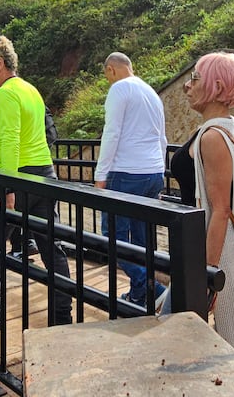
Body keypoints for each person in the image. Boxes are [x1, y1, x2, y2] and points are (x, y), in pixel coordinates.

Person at [166, 52, 234, 376]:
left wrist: (207, 276)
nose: (187, 86)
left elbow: (221, 210)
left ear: (217, 85)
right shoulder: (230, 128)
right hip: (220, 248)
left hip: (216, 250)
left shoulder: (213, 136)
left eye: (195, 79)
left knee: (181, 331)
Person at [0, 35, 72, 329]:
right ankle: (62, 315)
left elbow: (9, 142)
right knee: (51, 249)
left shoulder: (4, 94)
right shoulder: (31, 90)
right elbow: (42, 135)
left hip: (16, 178)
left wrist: (9, 188)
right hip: (44, 175)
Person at [94, 52, 168, 306]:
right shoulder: (151, 93)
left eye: (107, 76)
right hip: (153, 172)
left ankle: (153, 288)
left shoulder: (119, 89)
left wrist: (100, 176)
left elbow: (112, 133)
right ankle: (141, 293)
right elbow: (162, 138)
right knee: (141, 239)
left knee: (111, 237)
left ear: (112, 70)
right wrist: (159, 173)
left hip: (126, 173)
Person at [0, 83, 38, 260]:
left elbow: (5, 136)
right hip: (38, 162)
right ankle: (25, 243)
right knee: (42, 224)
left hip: (10, 165)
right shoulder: (29, 89)